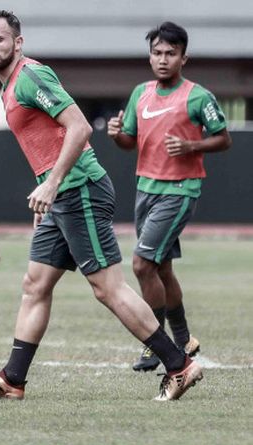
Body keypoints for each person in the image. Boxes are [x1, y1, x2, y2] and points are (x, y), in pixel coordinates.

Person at [0, 10, 201, 401]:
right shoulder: (7, 87)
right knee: (35, 284)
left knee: (107, 288)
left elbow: (80, 127)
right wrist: (47, 193)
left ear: (17, 43)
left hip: (79, 189)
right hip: (60, 197)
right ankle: (12, 380)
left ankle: (179, 364)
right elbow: (47, 142)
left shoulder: (30, 76)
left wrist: (52, 185)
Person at [107, 22, 231, 372]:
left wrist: (192, 144)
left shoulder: (198, 97)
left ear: (183, 58)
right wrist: (117, 135)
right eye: (157, 53)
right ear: (150, 57)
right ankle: (184, 339)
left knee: (141, 264)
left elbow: (224, 139)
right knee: (161, 267)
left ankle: (153, 342)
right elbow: (130, 141)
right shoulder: (140, 94)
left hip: (180, 190)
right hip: (146, 188)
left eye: (171, 54)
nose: (163, 60)